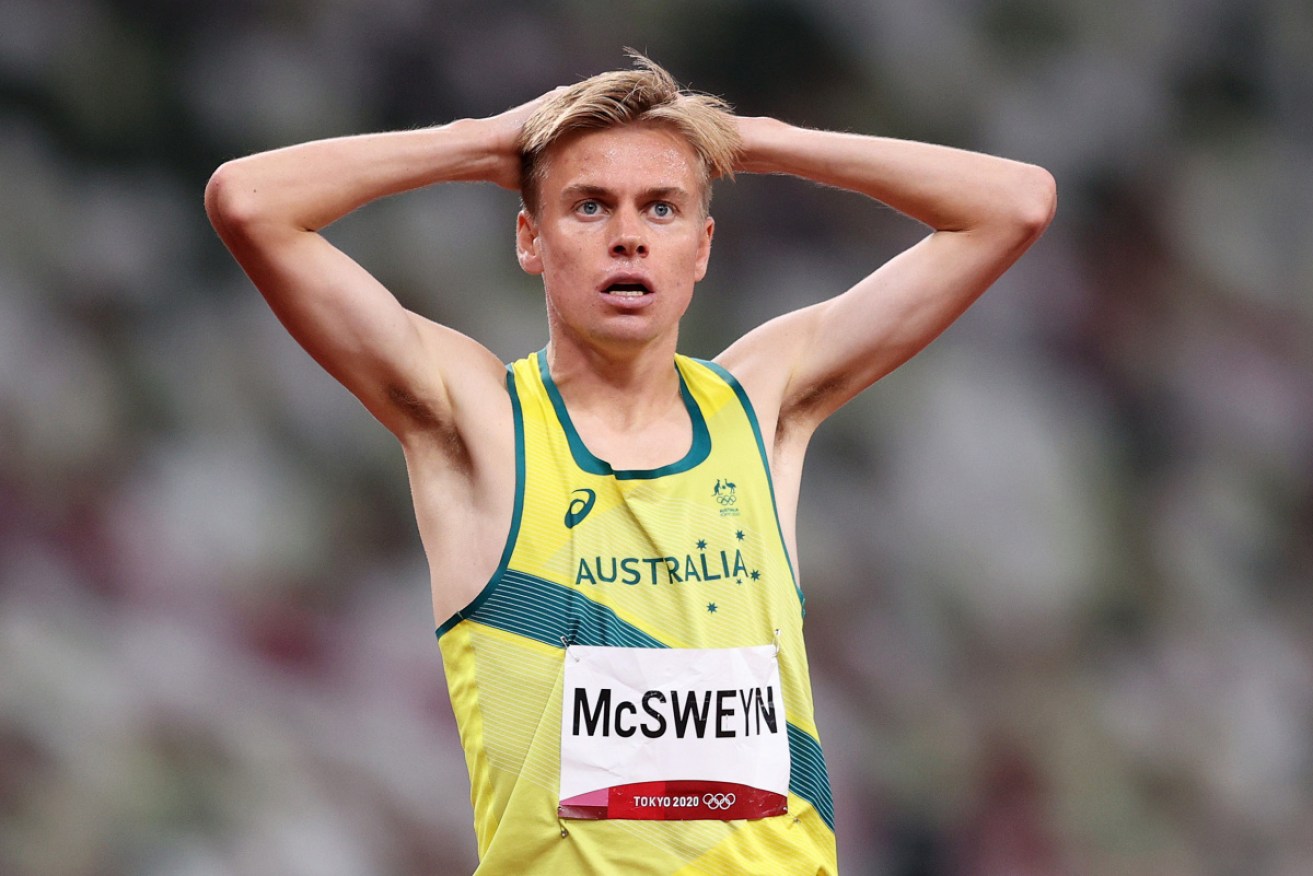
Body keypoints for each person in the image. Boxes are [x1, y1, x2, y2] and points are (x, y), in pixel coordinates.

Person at [205, 51, 1055, 875]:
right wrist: (482, 143)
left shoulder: (761, 405)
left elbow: (1015, 203)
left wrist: (753, 140)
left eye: (660, 208)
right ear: (530, 240)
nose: (626, 238)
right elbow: (248, 202)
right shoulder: (480, 423)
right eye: (587, 207)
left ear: (702, 248)